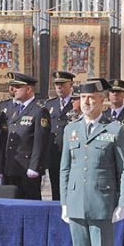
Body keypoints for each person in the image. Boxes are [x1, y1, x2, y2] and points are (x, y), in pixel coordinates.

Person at [59, 79, 124, 246]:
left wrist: (122, 202)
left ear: (103, 99)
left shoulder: (114, 129)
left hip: (102, 203)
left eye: (92, 97)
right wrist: (64, 202)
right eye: (83, 98)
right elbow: (65, 169)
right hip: (77, 202)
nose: (87, 102)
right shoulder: (71, 129)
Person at [3, 72, 50, 200]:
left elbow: (40, 142)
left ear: (28, 89)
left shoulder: (39, 110)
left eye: (18, 87)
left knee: (30, 201)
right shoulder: (13, 110)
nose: (14, 90)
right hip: (12, 165)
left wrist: (34, 167)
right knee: (11, 202)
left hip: (27, 167)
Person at [45, 71, 75, 200]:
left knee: (72, 189)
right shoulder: (50, 104)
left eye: (62, 84)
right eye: (57, 84)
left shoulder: (77, 103)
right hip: (54, 153)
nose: (59, 87)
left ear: (71, 84)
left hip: (72, 153)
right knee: (56, 190)